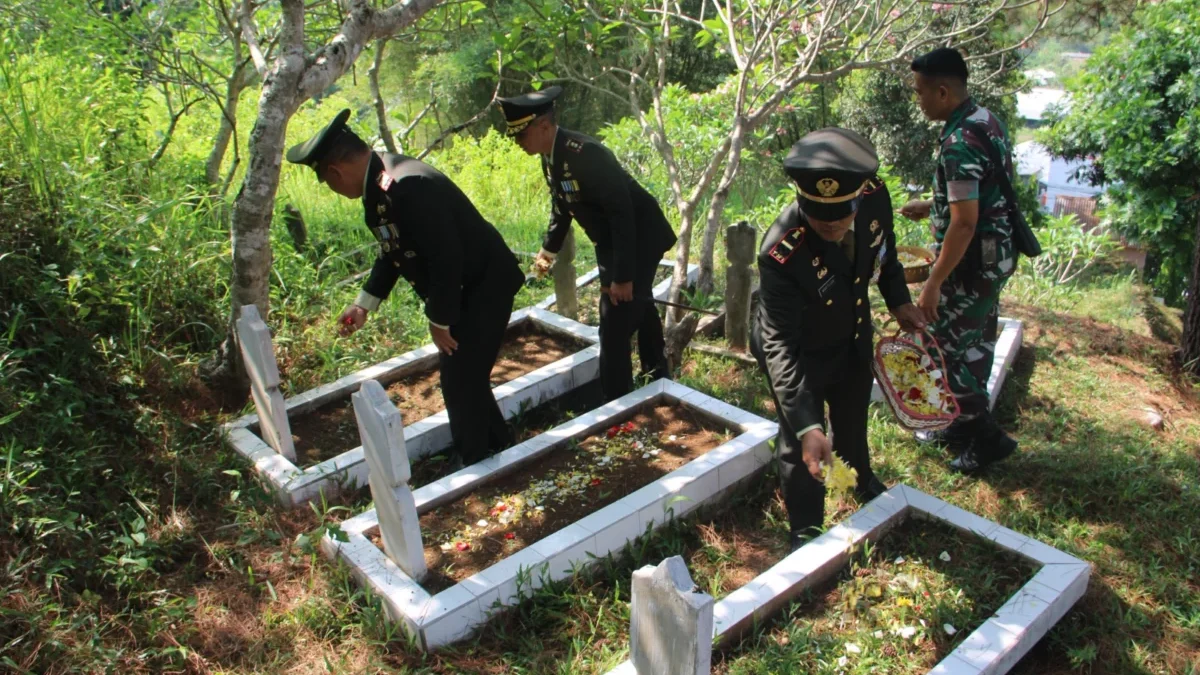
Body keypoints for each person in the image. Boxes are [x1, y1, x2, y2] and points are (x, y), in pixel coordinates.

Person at [285, 109, 525, 467]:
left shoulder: (407, 185)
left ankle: (476, 462)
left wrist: (439, 320)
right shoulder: (381, 183)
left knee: (459, 380)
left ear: (334, 172)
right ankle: (495, 447)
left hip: (484, 285)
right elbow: (394, 249)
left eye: (327, 182)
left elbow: (446, 256)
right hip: (464, 288)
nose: (333, 190)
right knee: (466, 375)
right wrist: (364, 303)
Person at [751, 128, 926, 551]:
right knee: (802, 443)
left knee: (851, 417)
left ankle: (857, 479)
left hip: (850, 333)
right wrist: (810, 425)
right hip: (798, 347)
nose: (831, 227)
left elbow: (884, 255)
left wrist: (900, 302)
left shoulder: (873, 198)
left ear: (859, 196)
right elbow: (780, 347)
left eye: (840, 217)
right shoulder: (782, 251)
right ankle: (806, 530)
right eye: (818, 218)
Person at [496, 86, 677, 401]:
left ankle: (617, 404)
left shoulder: (585, 153)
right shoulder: (550, 156)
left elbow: (622, 215)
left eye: (521, 135)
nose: (518, 143)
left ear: (543, 126)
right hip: (615, 240)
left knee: (614, 324)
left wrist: (621, 277)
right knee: (640, 305)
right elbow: (562, 206)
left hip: (640, 237)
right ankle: (656, 375)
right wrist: (545, 255)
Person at [899, 47, 1019, 473]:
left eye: (920, 92)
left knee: (947, 348)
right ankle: (962, 425)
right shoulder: (984, 120)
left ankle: (986, 438)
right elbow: (980, 195)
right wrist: (930, 206)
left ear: (944, 92)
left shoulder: (957, 142)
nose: (919, 100)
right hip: (996, 256)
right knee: (977, 343)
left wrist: (933, 281)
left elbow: (964, 224)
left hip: (969, 265)